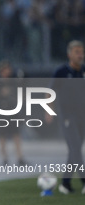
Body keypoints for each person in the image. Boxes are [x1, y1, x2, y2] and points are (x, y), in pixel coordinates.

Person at [46, 40, 85, 195]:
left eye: (82, 51)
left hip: (83, 116)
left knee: (74, 151)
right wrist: (49, 110)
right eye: (77, 52)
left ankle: (66, 183)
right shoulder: (61, 71)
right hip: (67, 116)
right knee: (75, 149)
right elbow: (50, 92)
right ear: (69, 54)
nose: (80, 55)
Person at [0, 60, 26, 166]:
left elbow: (22, 95)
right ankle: (4, 159)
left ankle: (20, 158)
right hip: (1, 112)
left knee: (16, 134)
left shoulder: (15, 82)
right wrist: (1, 93)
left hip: (13, 111)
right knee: (2, 136)